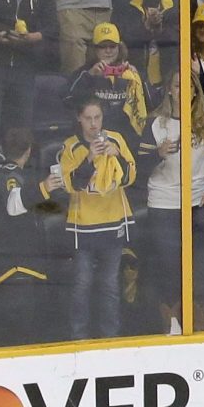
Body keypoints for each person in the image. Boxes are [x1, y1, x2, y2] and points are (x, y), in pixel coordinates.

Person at [48, 94, 135, 340]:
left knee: (110, 285)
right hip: (84, 226)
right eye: (88, 118)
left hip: (113, 222)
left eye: (98, 117)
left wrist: (117, 156)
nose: (94, 124)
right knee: (82, 285)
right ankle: (80, 338)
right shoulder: (70, 147)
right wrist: (89, 158)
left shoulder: (116, 139)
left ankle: (110, 338)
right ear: (79, 118)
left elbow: (130, 177)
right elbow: (70, 185)